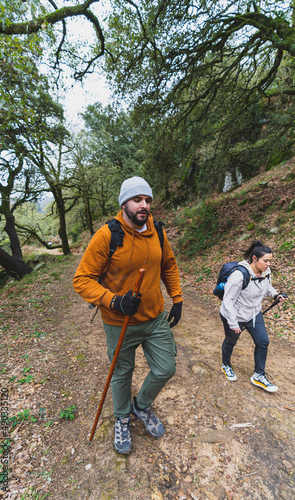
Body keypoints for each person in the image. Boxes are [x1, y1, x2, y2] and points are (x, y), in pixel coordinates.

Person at [73, 176, 183, 454]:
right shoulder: (108, 235)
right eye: (137, 200)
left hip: (154, 317)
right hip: (118, 321)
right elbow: (82, 279)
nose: (144, 205)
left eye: (147, 200)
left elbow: (168, 264)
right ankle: (122, 416)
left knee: (166, 368)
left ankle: (141, 405)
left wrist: (177, 297)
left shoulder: (157, 231)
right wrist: (116, 301)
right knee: (121, 372)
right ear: (124, 203)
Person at [219, 240, 286, 392]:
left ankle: (259, 375)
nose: (268, 264)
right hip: (234, 315)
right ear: (255, 259)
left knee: (263, 341)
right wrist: (233, 323)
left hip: (253, 314)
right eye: (265, 260)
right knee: (231, 340)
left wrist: (275, 294)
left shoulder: (266, 272)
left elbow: (267, 285)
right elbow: (227, 301)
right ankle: (226, 365)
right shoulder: (239, 276)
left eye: (270, 260)